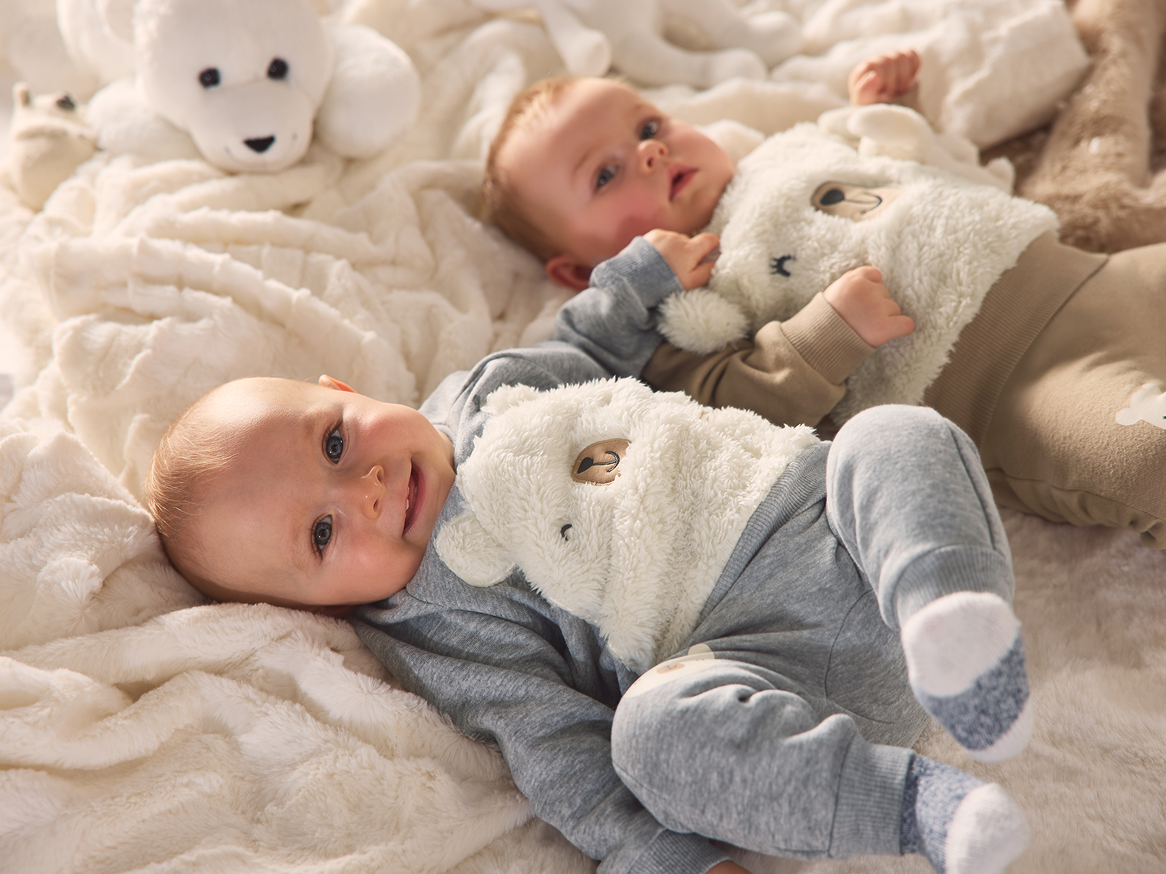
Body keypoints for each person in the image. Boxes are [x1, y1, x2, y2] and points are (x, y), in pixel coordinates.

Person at [146, 235, 1032, 874]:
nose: (366, 490)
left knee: (893, 437)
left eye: (334, 444)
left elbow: (584, 352)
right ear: (317, 607)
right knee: (649, 737)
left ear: (342, 390)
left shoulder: (482, 391)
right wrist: (662, 858)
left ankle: (954, 626)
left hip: (836, 520)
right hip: (764, 668)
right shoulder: (431, 619)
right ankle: (921, 807)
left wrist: (633, 281)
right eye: (323, 534)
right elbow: (554, 744)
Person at [481, 51, 1166, 549]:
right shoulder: (673, 315)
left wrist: (891, 114)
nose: (651, 154)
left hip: (1089, 276)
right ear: (579, 271)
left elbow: (910, 177)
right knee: (1140, 459)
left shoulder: (784, 154)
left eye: (649, 127)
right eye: (606, 174)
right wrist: (825, 335)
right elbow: (728, 410)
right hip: (1018, 386)